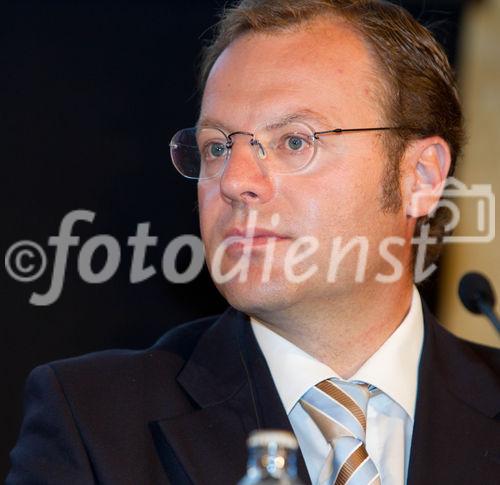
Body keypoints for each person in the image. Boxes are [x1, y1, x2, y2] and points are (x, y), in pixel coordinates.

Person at [7, 1, 500, 484]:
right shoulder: (93, 425)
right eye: (217, 147)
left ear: (420, 175)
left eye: (294, 140)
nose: (234, 180)